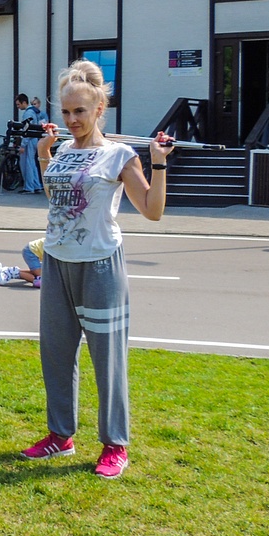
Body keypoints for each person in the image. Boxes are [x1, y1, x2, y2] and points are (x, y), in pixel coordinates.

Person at [20, 59, 173, 478]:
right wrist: (44, 154)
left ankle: (114, 444)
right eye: (66, 112)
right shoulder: (65, 150)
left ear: (99, 109)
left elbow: (153, 211)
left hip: (101, 266)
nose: (71, 120)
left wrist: (158, 162)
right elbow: (58, 198)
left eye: (80, 112)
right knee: (55, 355)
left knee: (108, 360)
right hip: (56, 262)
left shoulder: (120, 155)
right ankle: (60, 435)